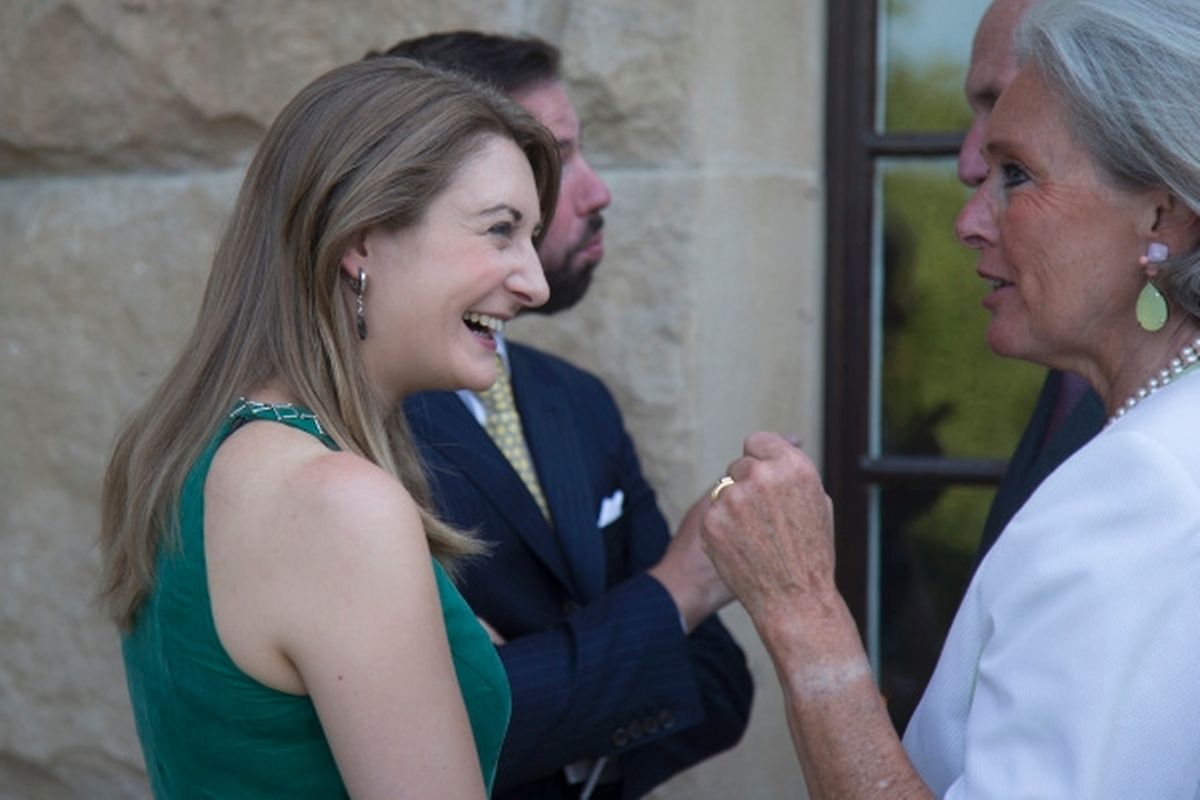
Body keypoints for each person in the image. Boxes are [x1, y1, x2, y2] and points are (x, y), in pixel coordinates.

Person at [701, 0, 1200, 796]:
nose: (970, 220)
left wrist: (803, 613)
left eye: (1017, 175)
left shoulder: (1144, 485)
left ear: (1163, 216)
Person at [98, 57, 561, 798]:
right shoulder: (332, 503)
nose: (534, 283)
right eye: (500, 230)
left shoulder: (193, 452)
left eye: (532, 238)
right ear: (361, 237)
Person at [377, 32, 754, 800]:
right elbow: (459, 725)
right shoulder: (355, 429)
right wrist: (677, 590)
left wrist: (558, 718)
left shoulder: (575, 400)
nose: (596, 191)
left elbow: (719, 683)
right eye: (554, 162)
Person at [960, 0, 1105, 561]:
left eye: (1016, 171)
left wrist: (797, 593)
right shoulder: (1078, 358)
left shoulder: (1167, 451)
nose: (967, 163)